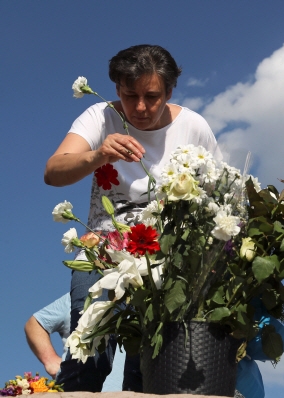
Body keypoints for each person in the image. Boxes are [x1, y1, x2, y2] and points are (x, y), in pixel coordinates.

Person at [44, 44, 221, 392]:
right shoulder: (100, 117)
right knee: (88, 352)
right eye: (130, 95)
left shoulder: (194, 127)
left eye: (152, 96)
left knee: (152, 368)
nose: (140, 108)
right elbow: (53, 171)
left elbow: (219, 198)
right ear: (116, 90)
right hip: (103, 256)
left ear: (170, 91)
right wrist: (98, 155)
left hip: (169, 263)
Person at [25, 294, 126, 391]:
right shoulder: (82, 295)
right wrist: (50, 361)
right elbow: (35, 324)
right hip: (77, 390)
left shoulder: (139, 303)